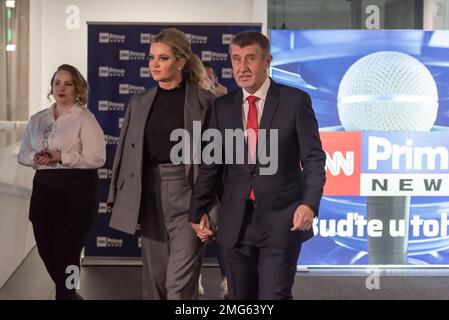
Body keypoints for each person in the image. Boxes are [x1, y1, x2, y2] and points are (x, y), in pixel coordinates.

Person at [189, 31, 326, 300]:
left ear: (267, 61)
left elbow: (313, 159)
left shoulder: (295, 101)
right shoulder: (222, 107)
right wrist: (197, 210)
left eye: (250, 58)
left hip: (283, 218)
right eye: (236, 59)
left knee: (274, 294)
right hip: (235, 221)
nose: (242, 67)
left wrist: (309, 203)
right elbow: (211, 164)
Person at [107, 28, 218, 300]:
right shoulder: (139, 101)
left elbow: (219, 162)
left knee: (178, 285)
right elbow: (124, 152)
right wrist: (117, 198)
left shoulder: (206, 102)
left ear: (180, 62)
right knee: (154, 281)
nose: (154, 64)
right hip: (149, 193)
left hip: (191, 196)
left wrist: (211, 211)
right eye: (151, 58)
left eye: (163, 58)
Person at [17, 64, 106, 300]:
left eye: (68, 83)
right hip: (44, 190)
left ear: (77, 88)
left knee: (69, 251)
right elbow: (23, 152)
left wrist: (62, 157)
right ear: (51, 87)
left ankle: (66, 295)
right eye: (57, 83)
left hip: (78, 191)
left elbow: (98, 157)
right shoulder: (38, 119)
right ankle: (70, 293)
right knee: (46, 248)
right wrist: (34, 157)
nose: (61, 88)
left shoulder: (85, 119)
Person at [199, 60, 229, 299]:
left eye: (210, 77)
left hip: (222, 176)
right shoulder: (191, 102)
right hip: (196, 174)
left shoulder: (224, 99)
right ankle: (194, 277)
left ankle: (227, 279)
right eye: (202, 77)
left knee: (223, 229)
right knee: (195, 228)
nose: (207, 81)